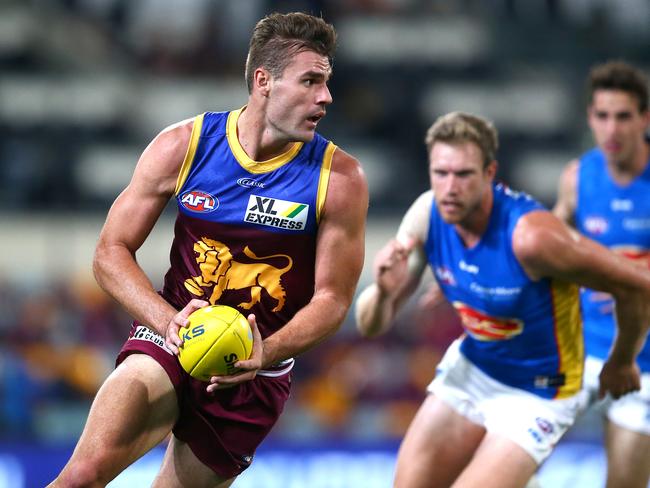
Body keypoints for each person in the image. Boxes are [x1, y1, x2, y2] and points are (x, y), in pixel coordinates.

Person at [49, 12, 368, 488]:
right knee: (80, 478)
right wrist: (166, 321)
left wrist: (266, 351)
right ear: (264, 81)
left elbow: (333, 300)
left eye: (326, 82)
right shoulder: (185, 145)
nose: (326, 97)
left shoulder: (339, 179)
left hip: (255, 376)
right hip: (170, 340)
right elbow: (110, 252)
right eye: (310, 81)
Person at [355, 111, 650, 488]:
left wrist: (622, 362)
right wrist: (382, 291)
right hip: (473, 372)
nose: (450, 187)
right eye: (440, 173)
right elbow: (370, 325)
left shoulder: (533, 237)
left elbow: (636, 286)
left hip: (539, 393)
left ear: (490, 174)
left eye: (463, 174)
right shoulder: (427, 215)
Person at [553, 60, 650, 488]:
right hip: (579, 352)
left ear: (645, 119)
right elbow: (548, 246)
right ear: (591, 118)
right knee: (505, 458)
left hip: (643, 364)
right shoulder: (577, 177)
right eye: (603, 116)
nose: (613, 128)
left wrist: (631, 283)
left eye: (624, 116)